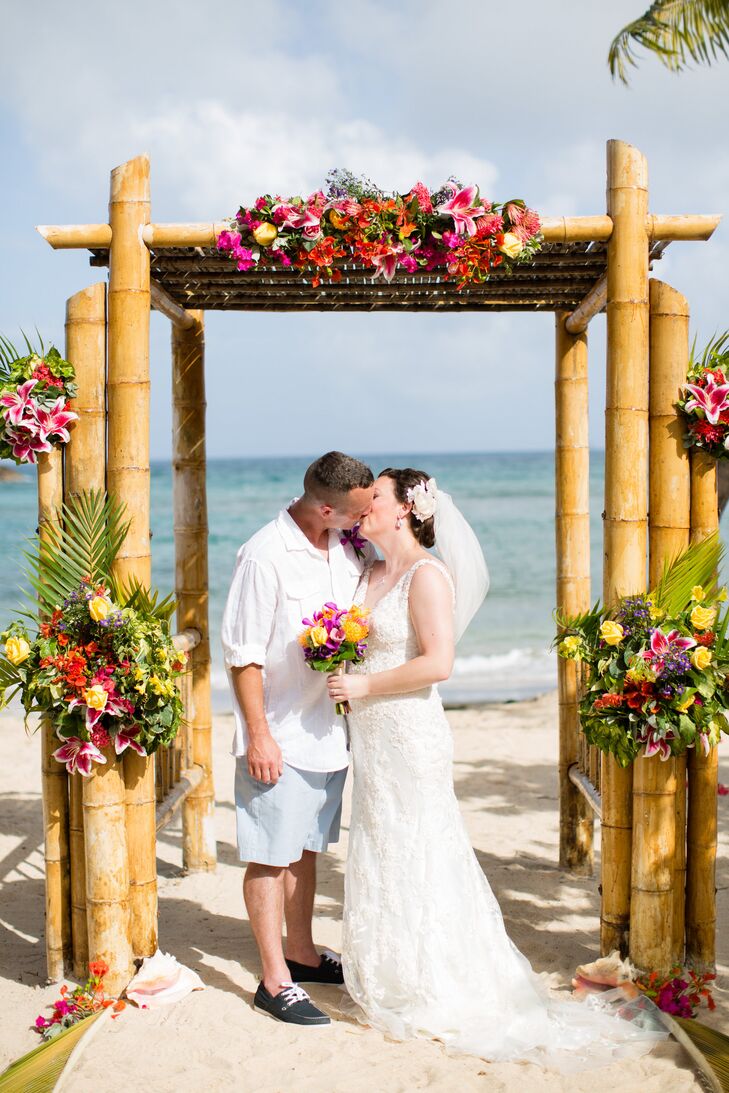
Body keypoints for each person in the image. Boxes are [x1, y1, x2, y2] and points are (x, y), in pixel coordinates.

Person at [327, 469, 663, 1066]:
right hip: (373, 737)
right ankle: (396, 970)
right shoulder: (369, 572)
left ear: (406, 508)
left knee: (424, 845)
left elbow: (439, 664)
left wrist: (363, 682)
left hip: (409, 733)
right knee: (381, 843)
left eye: (374, 495)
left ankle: (440, 976)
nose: (363, 504)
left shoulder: (427, 576)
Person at [221, 451, 374, 1027]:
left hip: (328, 733)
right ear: (326, 505)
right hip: (279, 734)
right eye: (355, 513)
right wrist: (259, 736)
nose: (363, 521)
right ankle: (273, 980)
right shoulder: (264, 556)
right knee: (269, 856)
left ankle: (302, 954)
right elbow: (244, 657)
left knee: (306, 849)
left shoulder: (344, 544)